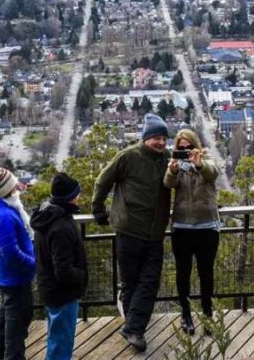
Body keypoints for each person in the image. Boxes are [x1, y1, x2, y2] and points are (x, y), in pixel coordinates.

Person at [91, 113, 171, 352]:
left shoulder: (167, 159)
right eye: (156, 137)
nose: (160, 142)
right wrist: (98, 209)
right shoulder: (127, 156)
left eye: (164, 138)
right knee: (130, 283)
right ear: (146, 138)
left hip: (155, 232)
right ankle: (134, 328)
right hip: (128, 229)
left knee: (150, 282)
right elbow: (103, 181)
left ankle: (133, 328)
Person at [163, 129, 220, 335]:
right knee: (183, 273)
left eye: (189, 147)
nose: (185, 151)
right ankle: (186, 315)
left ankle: (207, 314)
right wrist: (172, 170)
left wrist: (199, 163)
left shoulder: (207, 161)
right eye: (181, 148)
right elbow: (167, 184)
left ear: (196, 146)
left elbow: (212, 173)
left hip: (206, 226)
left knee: (207, 274)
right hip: (182, 226)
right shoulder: (176, 167)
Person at [0, 167, 35, 360]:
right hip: (15, 276)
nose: (17, 190)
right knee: (18, 322)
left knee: (8, 313)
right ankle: (12, 356)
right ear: (7, 191)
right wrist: (34, 264)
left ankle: (1, 351)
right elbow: (11, 254)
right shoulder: (3, 217)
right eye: (13, 187)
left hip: (4, 274)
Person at [31, 173, 88, 360]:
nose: (79, 196)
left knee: (56, 338)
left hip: (50, 289)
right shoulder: (61, 226)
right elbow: (62, 270)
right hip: (63, 293)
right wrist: (80, 275)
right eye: (77, 193)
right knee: (61, 344)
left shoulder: (46, 216)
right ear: (70, 197)